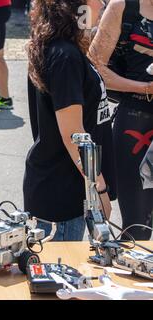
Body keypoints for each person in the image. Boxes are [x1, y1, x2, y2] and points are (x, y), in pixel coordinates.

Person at [24, 0, 116, 241]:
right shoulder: (64, 55)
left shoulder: (65, 50)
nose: (104, 5)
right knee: (59, 273)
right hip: (63, 190)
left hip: (68, 183)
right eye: (99, 0)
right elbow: (74, 135)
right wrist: (100, 189)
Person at [89, 0, 153, 240]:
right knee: (138, 226)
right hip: (136, 123)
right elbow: (94, 67)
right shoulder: (123, 7)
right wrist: (146, 87)